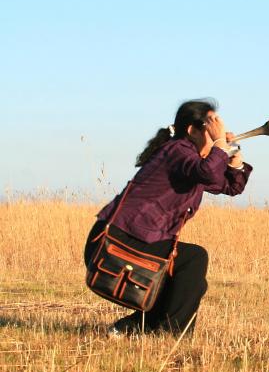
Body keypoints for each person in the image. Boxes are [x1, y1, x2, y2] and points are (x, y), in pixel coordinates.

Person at [84, 99, 252, 337]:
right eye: (212, 126)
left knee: (191, 283)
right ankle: (170, 334)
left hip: (141, 241)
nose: (219, 132)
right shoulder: (177, 152)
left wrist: (234, 157)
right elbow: (207, 172)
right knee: (193, 260)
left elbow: (229, 186)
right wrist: (220, 147)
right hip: (116, 239)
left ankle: (131, 328)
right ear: (192, 131)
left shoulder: (193, 161)